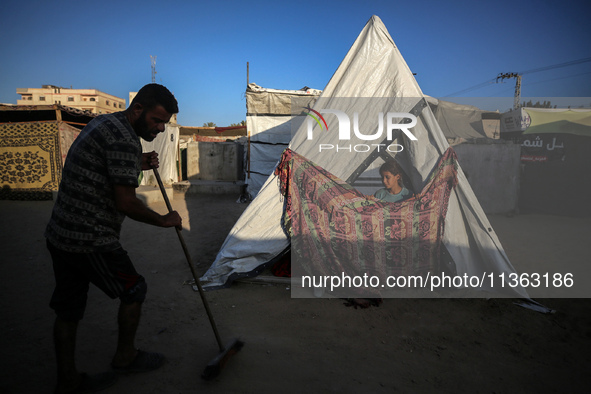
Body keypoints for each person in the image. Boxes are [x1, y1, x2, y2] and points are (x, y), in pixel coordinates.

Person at [45, 83, 182, 394]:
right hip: (89, 239)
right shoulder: (123, 140)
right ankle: (125, 356)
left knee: (68, 310)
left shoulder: (107, 123)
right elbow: (126, 202)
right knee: (134, 288)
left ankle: (67, 380)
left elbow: (104, 164)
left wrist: (136, 162)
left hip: (60, 233)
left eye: (164, 123)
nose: (160, 129)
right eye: (156, 121)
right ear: (138, 110)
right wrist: (164, 219)